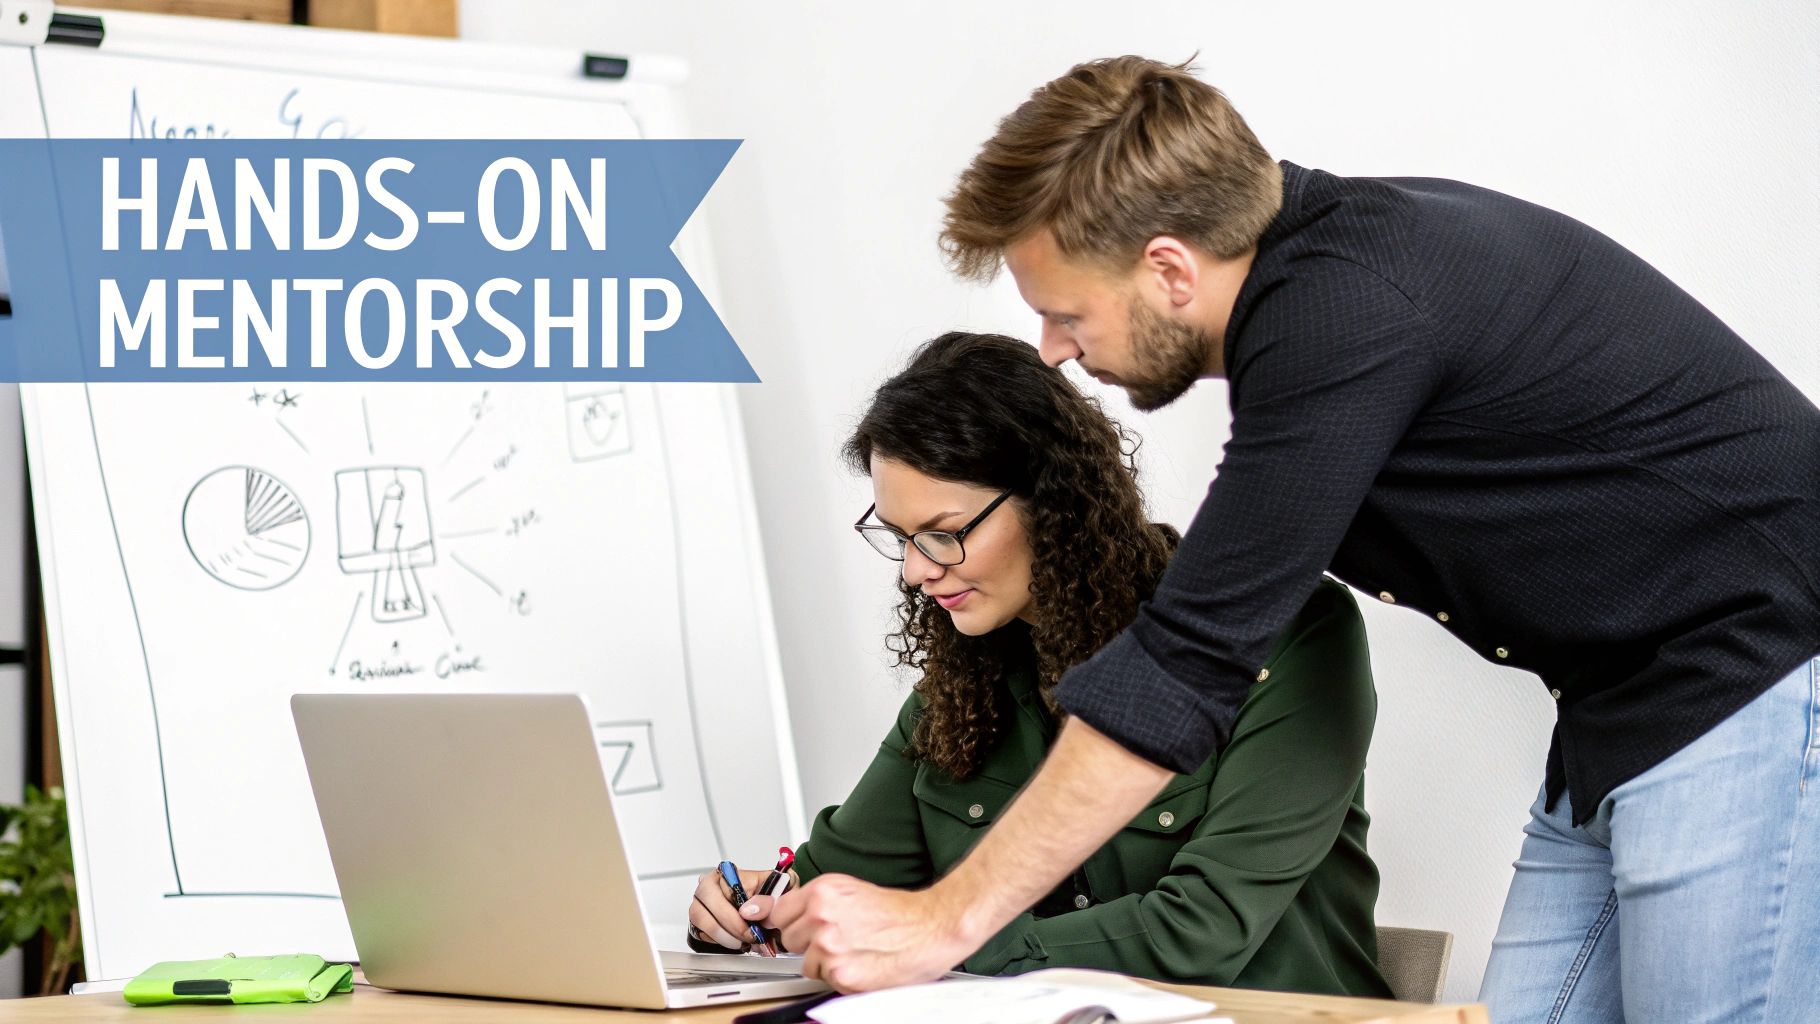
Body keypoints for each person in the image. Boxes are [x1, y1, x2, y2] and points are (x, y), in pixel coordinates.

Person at [768, 56, 1820, 1023]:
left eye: (1066, 314)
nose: (1050, 350)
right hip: (1617, 718)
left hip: (1749, 678)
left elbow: (1187, 661)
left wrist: (942, 924)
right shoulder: (1326, 285)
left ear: (1170, 269)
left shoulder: (1345, 315)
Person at [688, 331, 1392, 995]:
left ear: (1054, 503)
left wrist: (937, 939)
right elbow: (832, 883)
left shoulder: (1285, 634)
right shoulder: (964, 684)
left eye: (942, 534)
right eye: (899, 537)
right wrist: (747, 911)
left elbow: (1200, 931)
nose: (913, 572)